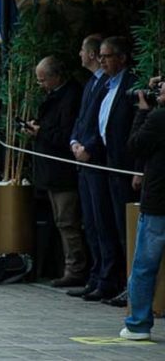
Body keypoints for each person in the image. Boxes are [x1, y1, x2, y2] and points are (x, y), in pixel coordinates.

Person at [25, 56, 86, 287]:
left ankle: (75, 267)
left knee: (67, 220)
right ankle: (67, 265)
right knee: (61, 220)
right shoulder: (56, 96)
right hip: (51, 169)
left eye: (43, 80)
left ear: (56, 76)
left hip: (62, 169)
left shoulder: (70, 97)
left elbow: (65, 135)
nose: (40, 85)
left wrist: (40, 132)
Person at [88, 36, 139, 307]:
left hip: (125, 166)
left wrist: (137, 169)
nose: (102, 60)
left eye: (107, 56)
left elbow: (135, 127)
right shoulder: (104, 85)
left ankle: (132, 285)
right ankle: (118, 281)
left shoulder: (131, 85)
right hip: (107, 162)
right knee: (110, 225)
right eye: (101, 56)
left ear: (121, 58)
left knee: (125, 227)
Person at [68, 35, 114, 301]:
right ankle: (96, 275)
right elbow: (82, 118)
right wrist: (75, 141)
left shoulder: (107, 83)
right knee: (91, 221)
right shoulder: (90, 84)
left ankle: (107, 277)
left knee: (102, 220)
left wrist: (89, 148)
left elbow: (104, 123)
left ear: (94, 54)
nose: (79, 55)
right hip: (81, 159)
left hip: (96, 161)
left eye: (83, 50)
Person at [120, 78, 165, 341]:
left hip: (158, 203)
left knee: (145, 266)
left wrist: (142, 111)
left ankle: (138, 324)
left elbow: (134, 145)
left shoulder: (159, 119)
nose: (158, 88)